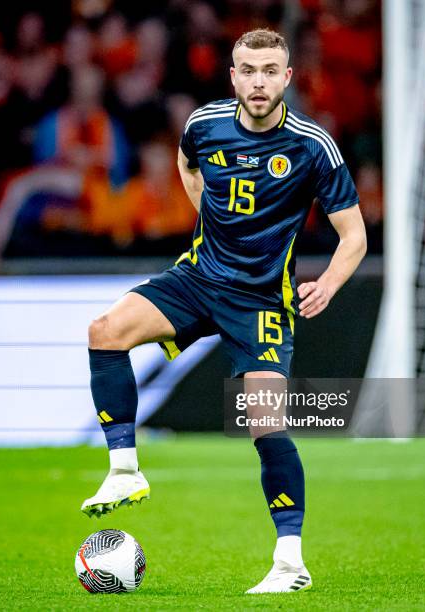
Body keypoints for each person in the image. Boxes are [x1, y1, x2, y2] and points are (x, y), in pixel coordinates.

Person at [82, 29, 367, 594]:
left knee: (264, 421)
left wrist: (329, 284)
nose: (258, 81)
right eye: (247, 70)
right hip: (199, 277)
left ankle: (290, 564)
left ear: (287, 78)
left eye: (269, 71)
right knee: (105, 332)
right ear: (232, 76)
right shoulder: (203, 125)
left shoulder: (313, 146)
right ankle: (123, 472)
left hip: (261, 300)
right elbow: (190, 167)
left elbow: (353, 234)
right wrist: (208, 224)